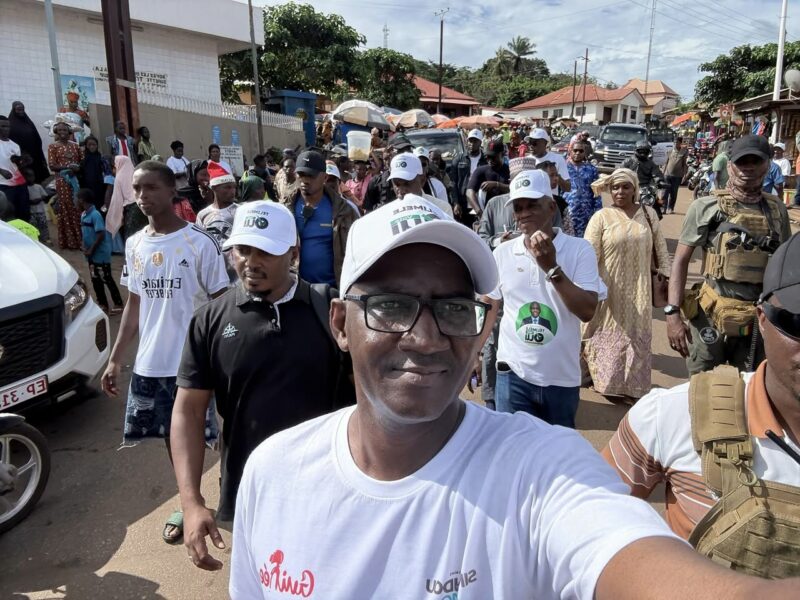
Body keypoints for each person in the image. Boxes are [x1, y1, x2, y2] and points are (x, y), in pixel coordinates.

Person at [229, 195, 800, 599]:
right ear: (339, 323)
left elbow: (628, 554)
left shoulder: (543, 471)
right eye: (390, 306)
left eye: (454, 309)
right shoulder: (275, 473)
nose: (425, 339)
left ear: (482, 327)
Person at [603, 233, 800, 578]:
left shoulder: (772, 212)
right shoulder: (672, 417)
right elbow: (591, 529)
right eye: (798, 323)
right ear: (763, 318)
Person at [173, 201, 356, 569]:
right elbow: (188, 412)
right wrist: (191, 503)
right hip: (252, 493)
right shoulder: (209, 320)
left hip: (333, 491)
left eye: (266, 251)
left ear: (294, 253)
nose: (251, 262)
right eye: (243, 250)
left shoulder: (332, 310)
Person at [100, 160, 228, 543]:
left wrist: (223, 357)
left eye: (150, 188)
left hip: (195, 363)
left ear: (173, 190)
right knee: (173, 439)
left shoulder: (199, 242)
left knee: (213, 433)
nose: (142, 197)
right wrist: (116, 357)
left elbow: (222, 302)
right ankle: (191, 501)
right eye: (137, 189)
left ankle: (226, 487)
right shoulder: (135, 244)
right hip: (152, 363)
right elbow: (134, 305)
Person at [483, 170, 602, 428]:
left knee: (556, 459)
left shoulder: (580, 250)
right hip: (513, 374)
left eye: (532, 205)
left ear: (550, 207)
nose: (524, 213)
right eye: (518, 207)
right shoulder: (503, 253)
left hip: (561, 380)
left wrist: (551, 267)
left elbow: (587, 310)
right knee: (511, 451)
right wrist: (473, 353)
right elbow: (489, 305)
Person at [667, 134, 792, 375]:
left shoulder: (777, 210)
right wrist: (672, 314)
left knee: (749, 386)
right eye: (741, 162)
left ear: (768, 164)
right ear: (730, 164)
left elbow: (786, 267)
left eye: (755, 161)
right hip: (711, 311)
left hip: (756, 317)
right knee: (702, 385)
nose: (748, 168)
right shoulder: (706, 207)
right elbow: (680, 261)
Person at [582, 168, 670, 403]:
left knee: (637, 334)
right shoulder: (601, 217)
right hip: (609, 286)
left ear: (635, 189)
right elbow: (588, 253)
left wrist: (666, 277)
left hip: (641, 286)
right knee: (607, 332)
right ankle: (606, 382)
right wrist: (589, 285)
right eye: (615, 187)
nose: (620, 192)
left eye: (625, 187)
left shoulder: (648, 214)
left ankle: (633, 386)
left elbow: (661, 248)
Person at [286, 151, 357, 286]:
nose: (305, 180)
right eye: (301, 175)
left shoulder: (344, 210)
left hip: (332, 290)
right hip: (295, 290)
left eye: (311, 176)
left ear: (324, 178)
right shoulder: (285, 209)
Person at [78, 188, 123, 315]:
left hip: (100, 254)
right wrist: (84, 246)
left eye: (78, 199)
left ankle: (118, 303)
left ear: (82, 200)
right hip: (91, 255)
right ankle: (103, 304)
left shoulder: (95, 215)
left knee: (106, 278)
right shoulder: (84, 215)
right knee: (95, 280)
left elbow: (101, 234)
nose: (76, 201)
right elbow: (85, 233)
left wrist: (91, 249)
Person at [196, 162, 239, 281]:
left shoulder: (240, 211)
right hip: (214, 270)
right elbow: (200, 245)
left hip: (237, 270)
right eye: (227, 187)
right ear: (214, 188)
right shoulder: (203, 215)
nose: (232, 191)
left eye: (234, 187)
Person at [47, 120, 82, 249]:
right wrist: (67, 168)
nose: (62, 132)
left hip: (75, 181)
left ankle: (80, 240)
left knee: (77, 206)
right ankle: (70, 242)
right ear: (56, 132)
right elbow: (52, 165)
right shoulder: (53, 147)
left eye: (65, 130)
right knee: (66, 208)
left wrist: (76, 169)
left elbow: (81, 161)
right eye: (60, 130)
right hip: (62, 181)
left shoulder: (75, 146)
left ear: (69, 132)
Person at [387, 152, 453, 217]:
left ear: (422, 180)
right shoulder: (386, 213)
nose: (401, 190)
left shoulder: (442, 209)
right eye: (397, 184)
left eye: (407, 183)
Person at [363, 134, 413, 213]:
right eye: (400, 151)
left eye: (408, 151)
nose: (405, 155)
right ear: (389, 153)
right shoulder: (376, 182)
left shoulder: (418, 179)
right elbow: (367, 213)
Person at [466, 139, 510, 218]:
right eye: (487, 156)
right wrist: (479, 212)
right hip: (485, 214)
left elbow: (515, 189)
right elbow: (469, 192)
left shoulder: (510, 170)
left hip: (507, 214)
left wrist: (497, 185)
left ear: (502, 154)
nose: (489, 160)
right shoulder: (480, 170)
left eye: (493, 157)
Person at [8, 101, 49, 182]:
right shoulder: (10, 124)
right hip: (20, 157)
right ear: (13, 110)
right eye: (18, 110)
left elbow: (37, 138)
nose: (21, 112)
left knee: (36, 177)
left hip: (34, 154)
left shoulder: (28, 122)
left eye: (22, 109)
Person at [525, 128, 571, 194]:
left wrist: (556, 177)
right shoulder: (526, 161)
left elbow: (568, 188)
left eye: (534, 143)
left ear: (545, 143)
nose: (531, 146)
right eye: (529, 143)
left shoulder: (558, 159)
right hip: (532, 203)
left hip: (550, 202)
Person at [537, 161, 575, 236]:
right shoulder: (529, 202)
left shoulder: (560, 203)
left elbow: (569, 231)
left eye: (556, 175)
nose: (556, 179)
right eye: (551, 175)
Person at [79, 135, 111, 211]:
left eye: (94, 145)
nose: (92, 147)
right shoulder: (83, 159)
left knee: (101, 207)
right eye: (89, 145)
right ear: (86, 146)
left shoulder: (101, 157)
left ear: (97, 146)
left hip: (100, 186)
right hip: (87, 187)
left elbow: (106, 171)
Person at [662, 137, 688, 214]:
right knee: (665, 193)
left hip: (677, 176)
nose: (675, 144)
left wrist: (684, 175)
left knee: (673, 193)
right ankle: (663, 208)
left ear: (680, 143)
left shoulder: (684, 152)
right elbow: (666, 163)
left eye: (677, 142)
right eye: (674, 142)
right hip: (667, 174)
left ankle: (670, 208)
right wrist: (663, 173)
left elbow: (684, 164)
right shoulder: (669, 151)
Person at [24, 167, 50, 243]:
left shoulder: (38, 186)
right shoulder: (25, 188)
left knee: (43, 224)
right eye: (28, 176)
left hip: (40, 210)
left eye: (32, 176)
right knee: (33, 225)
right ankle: (36, 239)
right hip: (31, 212)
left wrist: (39, 199)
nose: (31, 178)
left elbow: (45, 196)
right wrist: (31, 201)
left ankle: (46, 238)